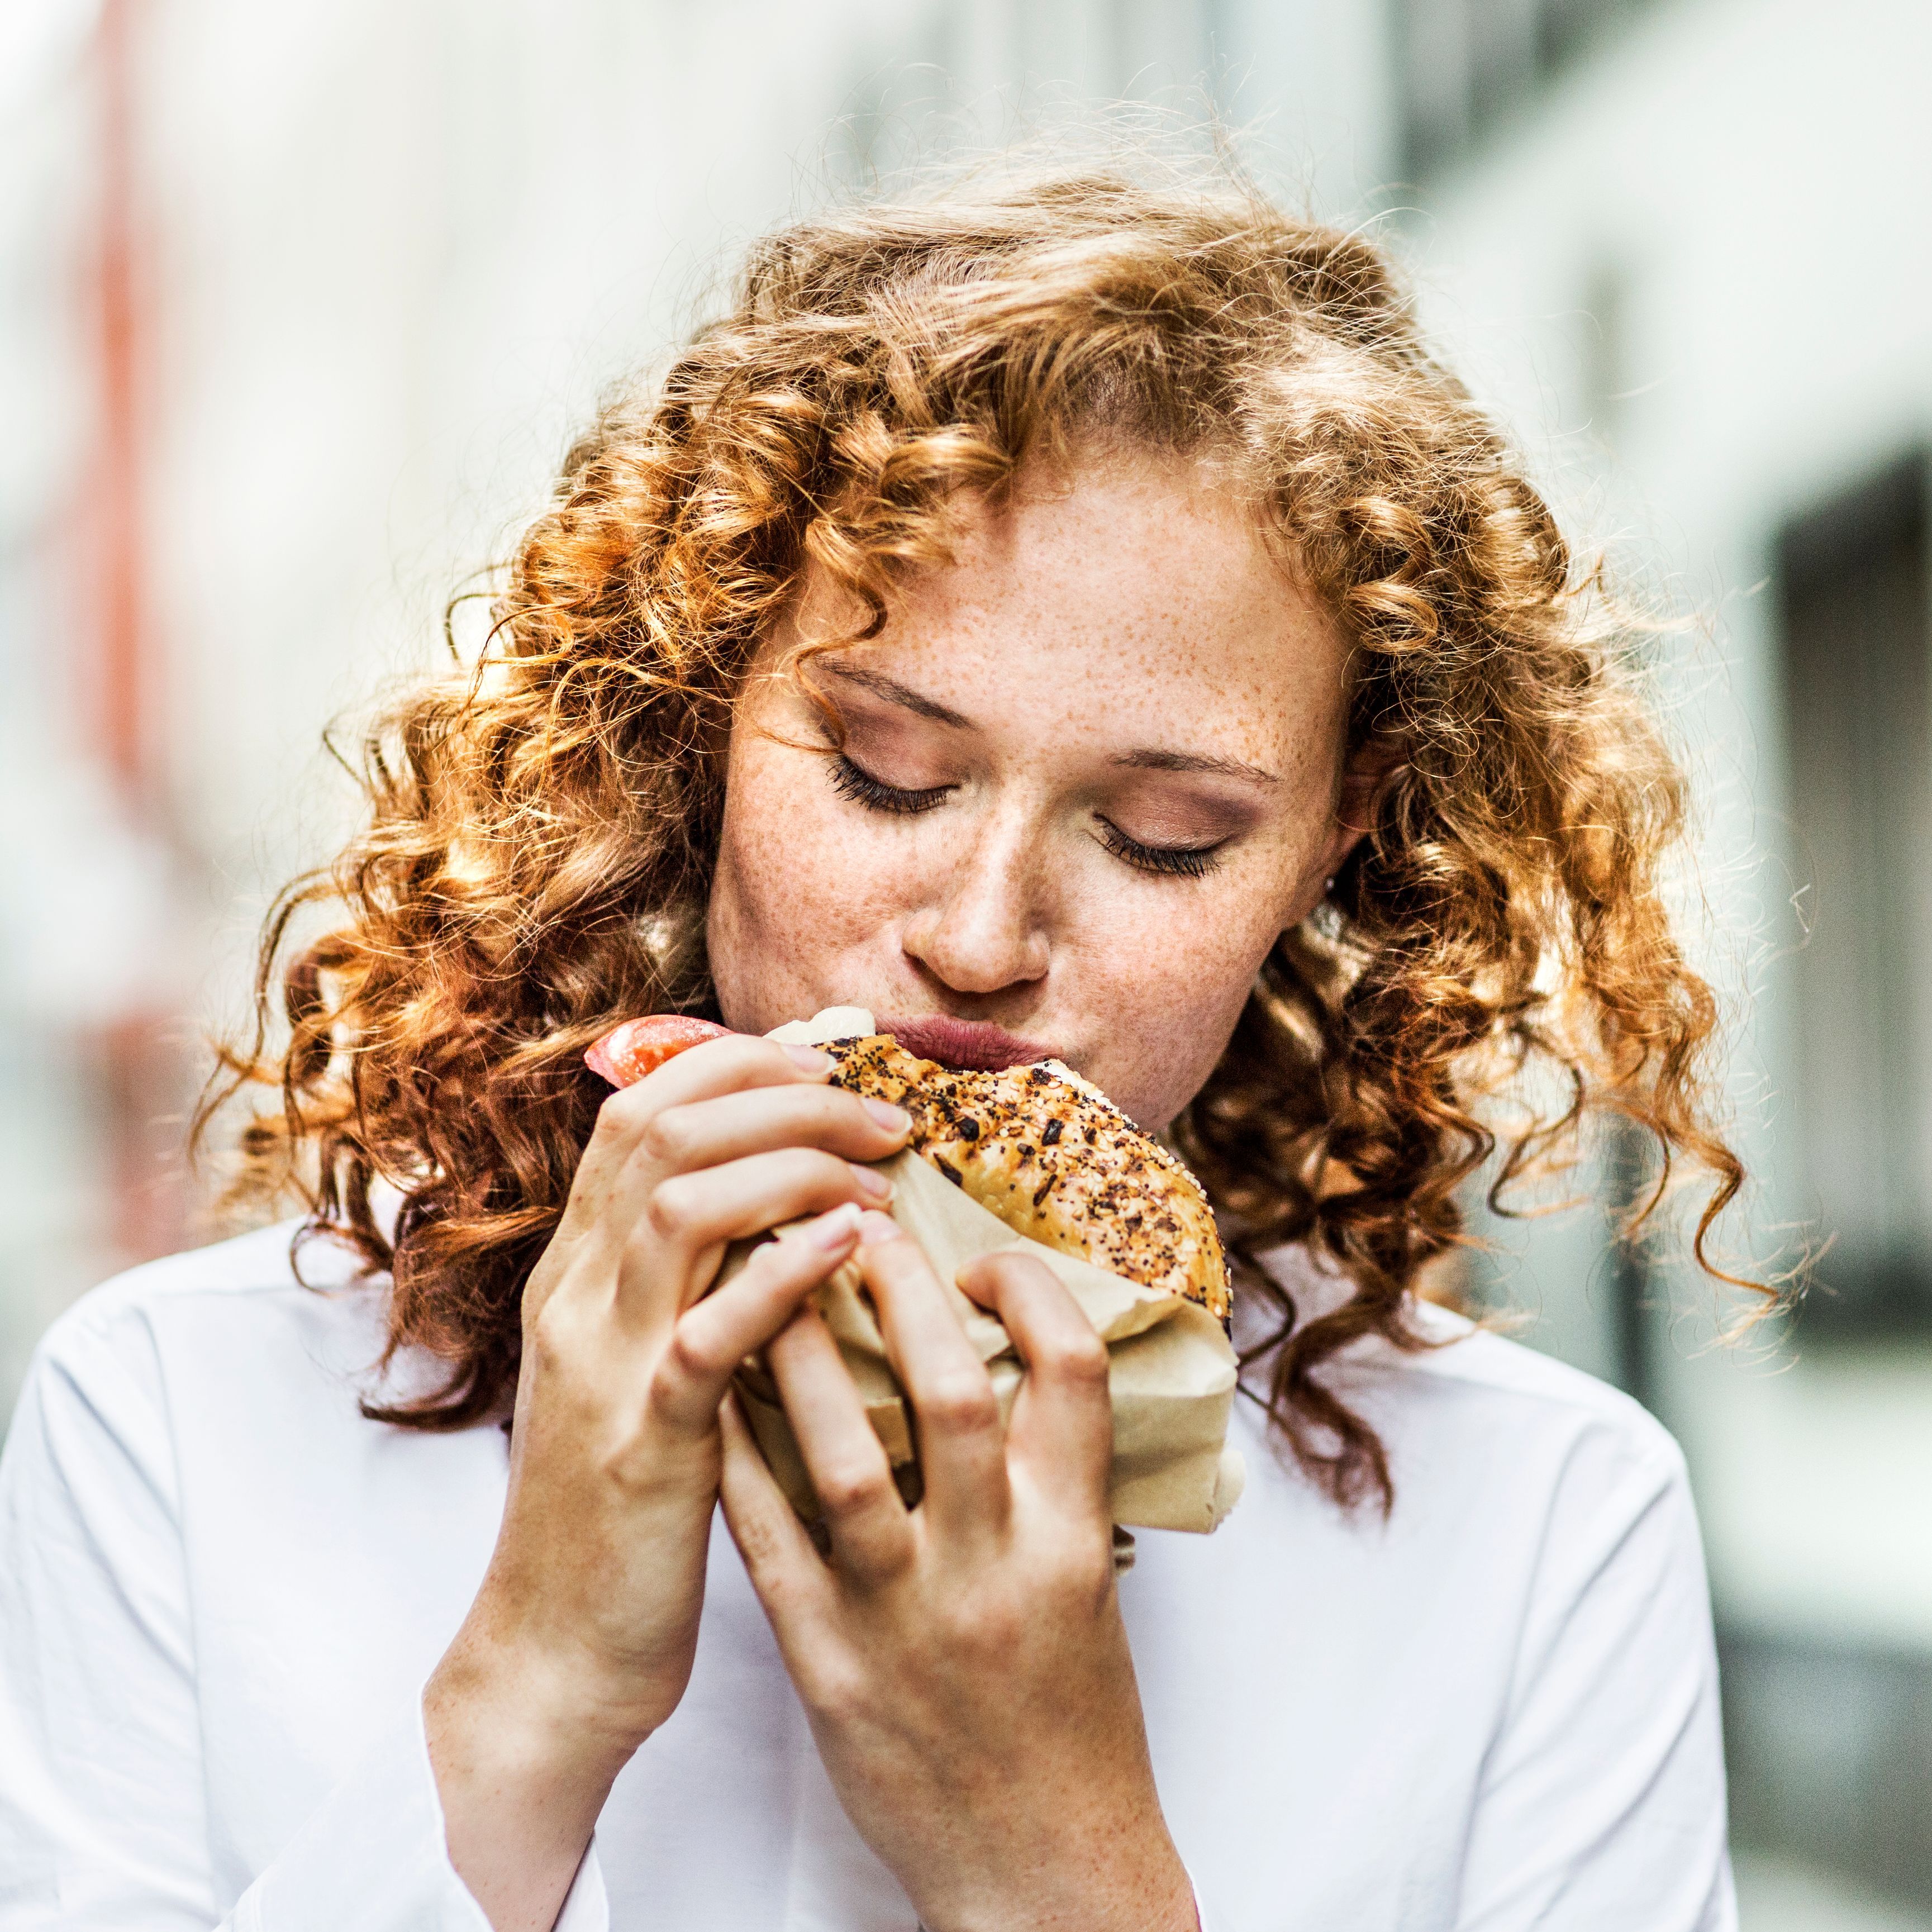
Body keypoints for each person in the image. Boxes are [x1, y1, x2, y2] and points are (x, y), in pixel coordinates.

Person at [0, 164, 1752, 1931]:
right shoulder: (188, 1417)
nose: (980, 938)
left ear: (1332, 841)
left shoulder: (1534, 1528)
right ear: (701, 713)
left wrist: (1061, 1864)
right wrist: (529, 1693)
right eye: (884, 772)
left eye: (1161, 835)